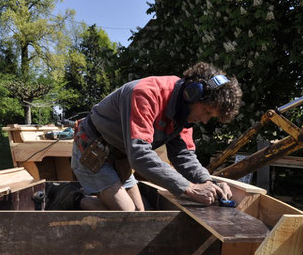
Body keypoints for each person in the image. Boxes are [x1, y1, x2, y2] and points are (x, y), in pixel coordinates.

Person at [70, 62, 243, 211]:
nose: (204, 120)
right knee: (127, 213)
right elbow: (139, 155)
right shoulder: (146, 94)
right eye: (206, 111)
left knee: (139, 212)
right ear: (192, 93)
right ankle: (74, 200)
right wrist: (189, 188)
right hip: (93, 148)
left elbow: (184, 156)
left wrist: (207, 181)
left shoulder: (183, 113)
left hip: (121, 154)